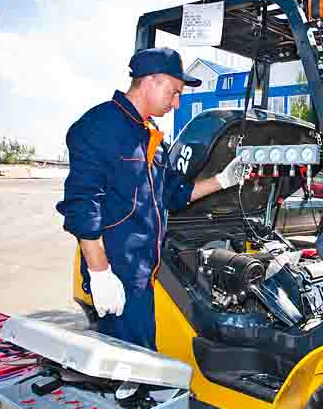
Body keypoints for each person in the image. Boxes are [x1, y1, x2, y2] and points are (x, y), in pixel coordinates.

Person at [56, 47, 242, 349]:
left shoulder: (151, 135)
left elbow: (173, 194)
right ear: (151, 81)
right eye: (174, 92)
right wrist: (101, 274)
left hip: (144, 274)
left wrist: (222, 181)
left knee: (141, 359)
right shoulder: (100, 126)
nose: (177, 101)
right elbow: (82, 206)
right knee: (127, 366)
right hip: (117, 276)